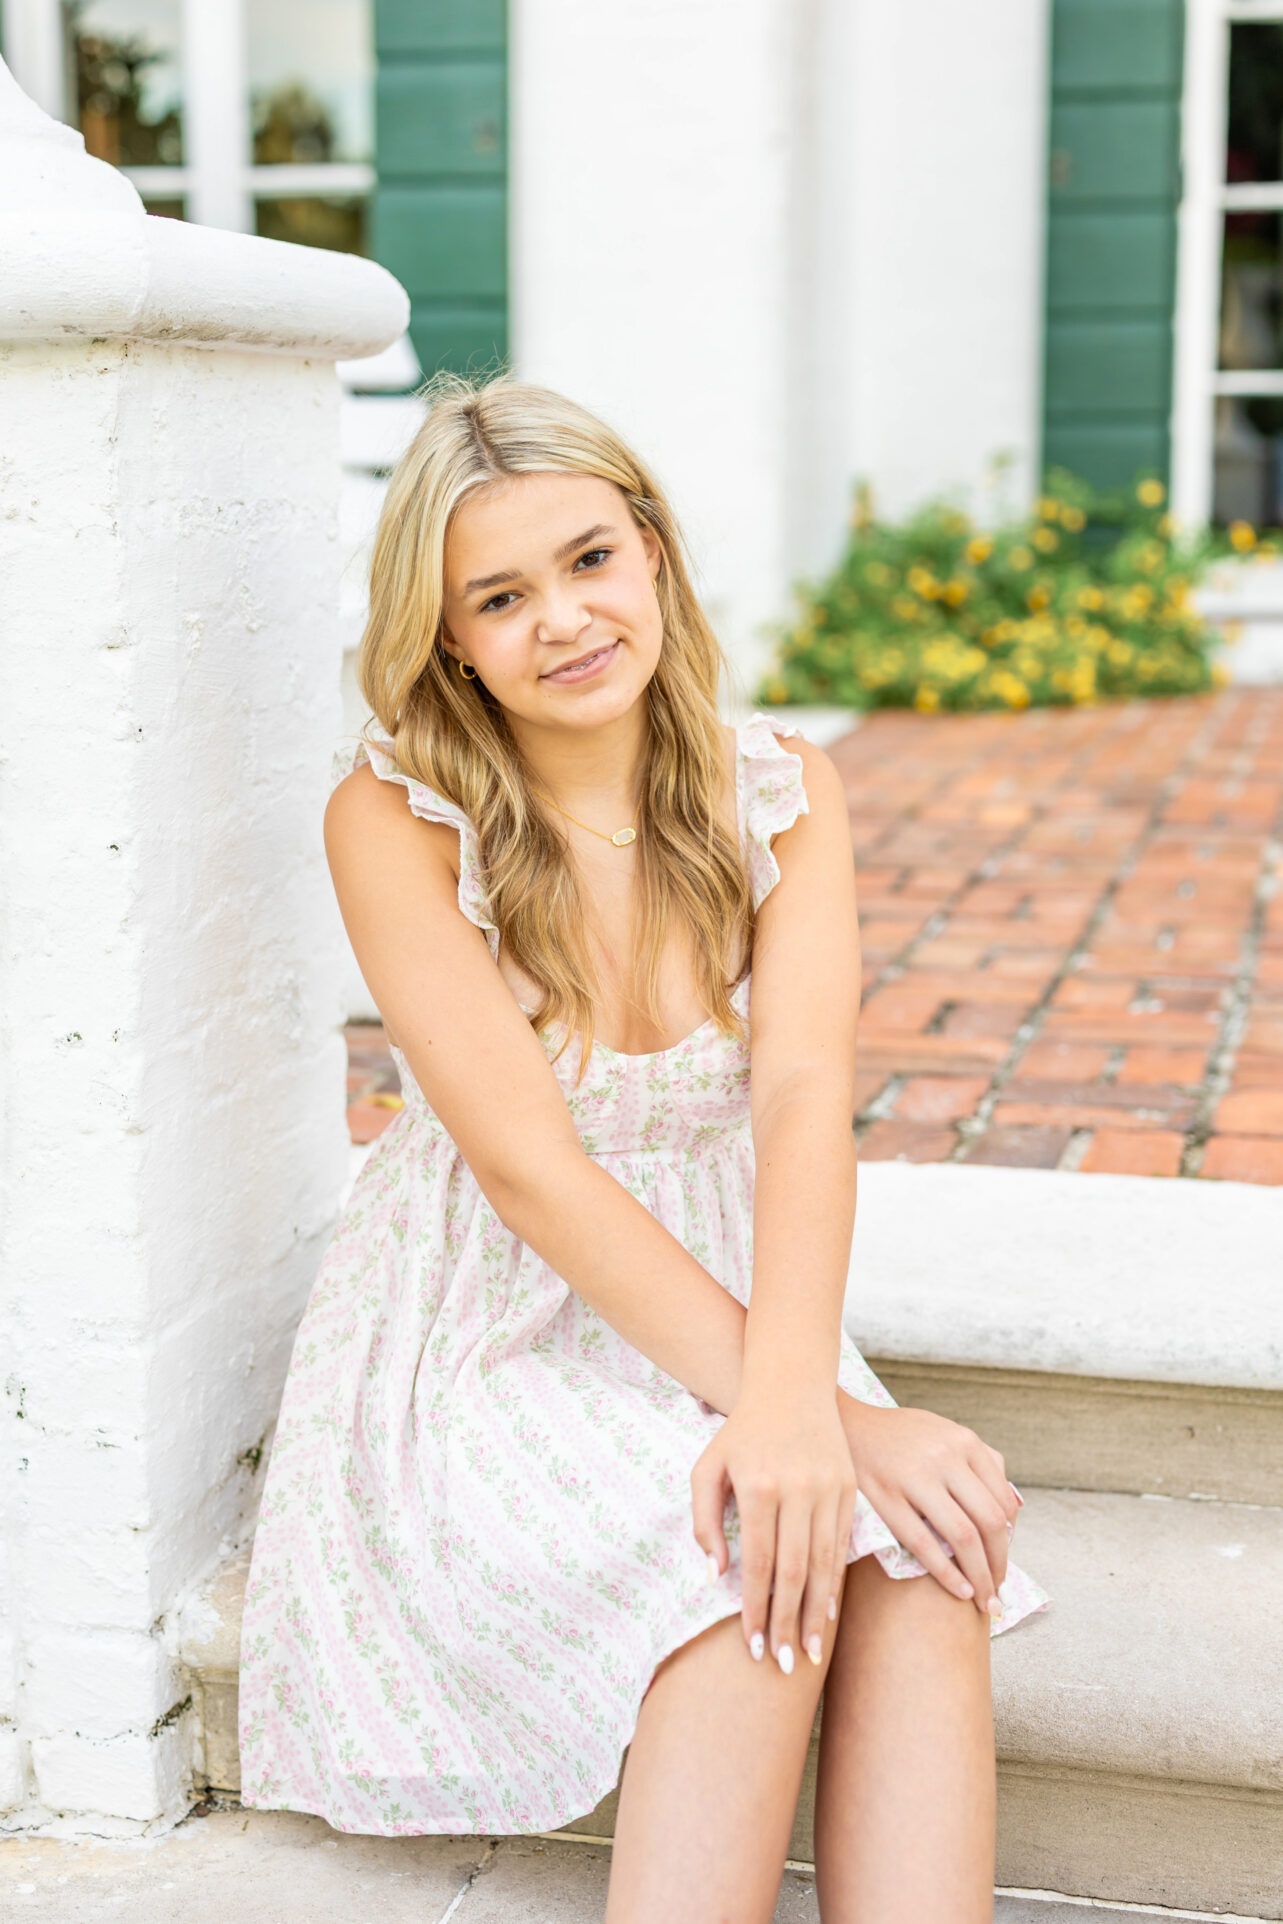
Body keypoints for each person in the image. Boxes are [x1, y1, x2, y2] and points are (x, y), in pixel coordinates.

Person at [238, 374, 1047, 1922]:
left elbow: (802, 1090)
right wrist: (807, 1418)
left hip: (729, 1296)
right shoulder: (398, 818)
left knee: (926, 1562)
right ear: (448, 639)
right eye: (500, 597)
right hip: (494, 1323)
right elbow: (532, 1173)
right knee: (748, 1567)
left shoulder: (781, 791)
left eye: (590, 559)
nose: (563, 618)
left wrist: (801, 1401)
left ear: (653, 553)